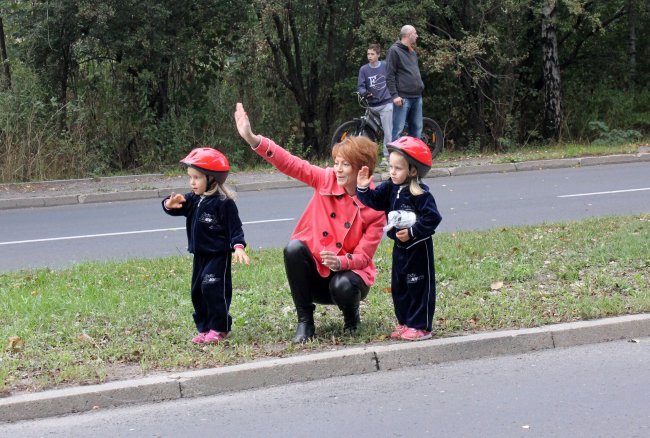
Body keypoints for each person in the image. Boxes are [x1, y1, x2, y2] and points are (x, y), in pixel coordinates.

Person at [234, 102, 386, 343]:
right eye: (336, 162)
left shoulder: (376, 205)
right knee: (293, 248)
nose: (337, 169)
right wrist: (253, 140)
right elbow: (291, 163)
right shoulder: (325, 179)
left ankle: (351, 316)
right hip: (317, 274)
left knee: (343, 285)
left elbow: (364, 257)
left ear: (362, 170)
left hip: (347, 278)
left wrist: (340, 261)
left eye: (345, 164)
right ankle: (305, 322)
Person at [356, 136, 442, 341]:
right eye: (390, 167)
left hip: (418, 250)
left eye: (398, 168)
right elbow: (375, 202)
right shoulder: (390, 188)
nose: (392, 172)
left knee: (418, 285)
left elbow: (433, 218)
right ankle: (405, 322)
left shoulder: (420, 193)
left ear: (413, 171)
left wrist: (412, 232)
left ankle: (421, 326)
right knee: (399, 285)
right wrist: (362, 188)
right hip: (400, 250)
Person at [162, 147, 250, 344]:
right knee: (197, 291)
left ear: (212, 179)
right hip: (200, 256)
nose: (192, 182)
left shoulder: (223, 203)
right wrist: (169, 204)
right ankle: (204, 328)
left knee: (212, 289)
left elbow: (235, 228)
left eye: (197, 177)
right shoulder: (193, 199)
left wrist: (238, 247)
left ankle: (219, 328)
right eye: (190, 177)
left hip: (218, 256)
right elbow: (176, 208)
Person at [385, 25, 425, 142]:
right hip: (403, 98)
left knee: (417, 130)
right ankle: (394, 160)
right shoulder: (394, 50)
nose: (417, 36)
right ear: (407, 35)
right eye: (415, 33)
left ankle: (414, 160)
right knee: (398, 130)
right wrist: (395, 95)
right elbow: (389, 75)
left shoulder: (412, 52)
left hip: (417, 96)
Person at [357, 43, 393, 166]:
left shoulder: (385, 66)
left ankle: (387, 158)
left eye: (372, 54)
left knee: (388, 132)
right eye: (368, 54)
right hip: (371, 105)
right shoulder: (364, 69)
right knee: (368, 130)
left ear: (378, 55)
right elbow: (360, 86)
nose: (369, 56)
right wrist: (364, 93)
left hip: (386, 103)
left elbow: (393, 79)